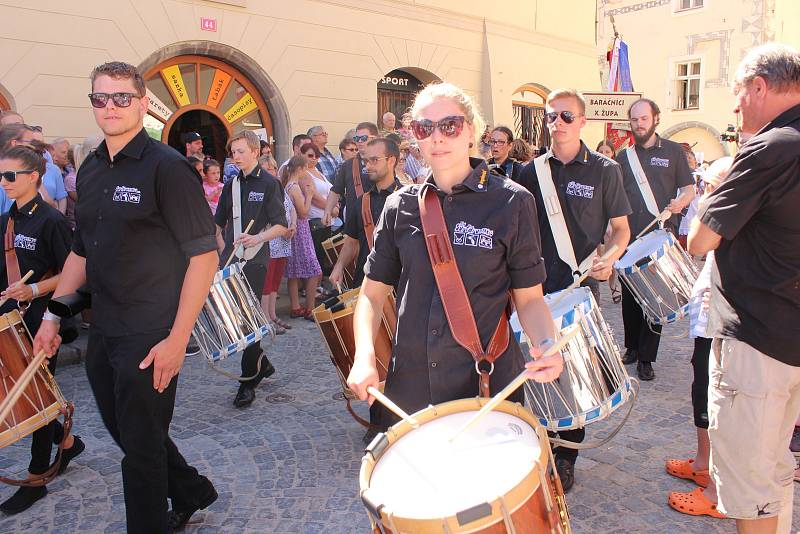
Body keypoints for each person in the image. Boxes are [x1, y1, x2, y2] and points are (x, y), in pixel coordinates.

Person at [33, 61, 218, 534]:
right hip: (106, 326)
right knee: (130, 430)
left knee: (139, 448)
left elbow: (203, 258)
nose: (110, 106)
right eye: (100, 98)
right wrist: (53, 316)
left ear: (141, 103)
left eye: (121, 98)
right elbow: (81, 250)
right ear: (92, 103)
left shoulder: (168, 168)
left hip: (152, 328)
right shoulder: (91, 169)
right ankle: (192, 488)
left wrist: (178, 339)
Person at [345, 82, 563, 432]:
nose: (437, 137)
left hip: (485, 383)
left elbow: (530, 299)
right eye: (424, 128)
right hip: (411, 387)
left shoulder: (512, 202)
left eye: (450, 125)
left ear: (472, 130)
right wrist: (364, 356)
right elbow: (371, 295)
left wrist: (547, 345)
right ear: (414, 138)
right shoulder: (399, 206)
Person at [688, 43, 800, 534]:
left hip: (756, 341)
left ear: (759, 86)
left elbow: (699, 240)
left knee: (751, 488)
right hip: (790, 339)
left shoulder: (770, 147)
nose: (736, 106)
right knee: (776, 474)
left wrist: (717, 186)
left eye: (738, 93)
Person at [516, 88, 631, 492]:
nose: (557, 123)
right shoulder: (529, 172)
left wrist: (611, 258)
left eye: (567, 116)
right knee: (534, 374)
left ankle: (566, 459)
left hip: (575, 289)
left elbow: (620, 229)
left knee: (572, 377)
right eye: (551, 116)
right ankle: (537, 449)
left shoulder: (604, 170)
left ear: (583, 122)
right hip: (528, 290)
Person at [0, 145, 83, 515]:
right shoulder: (7, 220)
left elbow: (72, 271)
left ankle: (36, 479)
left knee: (34, 390)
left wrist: (34, 290)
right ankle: (67, 444)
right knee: (30, 391)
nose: (4, 183)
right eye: (1, 176)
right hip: (13, 319)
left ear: (33, 176)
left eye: (10, 176)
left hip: (42, 319)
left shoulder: (50, 220)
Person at [666, 156, 733, 520]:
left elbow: (697, 242)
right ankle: (704, 464)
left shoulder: (731, 210)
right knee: (701, 389)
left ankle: (717, 492)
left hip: (724, 321)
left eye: (713, 185)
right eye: (704, 185)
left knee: (718, 399)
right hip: (708, 318)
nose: (705, 193)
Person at [615, 98, 695, 381]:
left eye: (643, 118)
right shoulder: (623, 157)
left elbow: (689, 188)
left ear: (656, 119)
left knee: (653, 297)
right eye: (634, 120)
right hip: (628, 236)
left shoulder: (674, 152)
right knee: (629, 297)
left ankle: (646, 358)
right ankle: (632, 347)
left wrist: (680, 202)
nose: (639, 124)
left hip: (658, 237)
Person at [215, 129, 288, 409]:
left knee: (248, 319)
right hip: (230, 260)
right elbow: (218, 223)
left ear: (255, 152)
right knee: (235, 319)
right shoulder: (230, 184)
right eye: (233, 152)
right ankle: (263, 364)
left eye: (241, 151)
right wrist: (222, 250)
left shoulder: (270, 183)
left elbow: (281, 225)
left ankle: (247, 383)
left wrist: (257, 238)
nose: (236, 157)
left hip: (256, 260)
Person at [329, 138, 401, 291]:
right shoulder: (362, 201)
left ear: (391, 160)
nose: (368, 166)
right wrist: (339, 266)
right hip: (365, 283)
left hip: (398, 286)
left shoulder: (408, 200)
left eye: (374, 160)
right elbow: (352, 241)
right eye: (366, 161)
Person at [283, 155, 323, 319]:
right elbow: (303, 212)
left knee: (293, 271)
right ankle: (310, 308)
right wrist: (310, 195)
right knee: (314, 270)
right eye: (305, 168)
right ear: (299, 169)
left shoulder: (286, 185)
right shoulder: (295, 187)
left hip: (293, 232)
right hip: (300, 230)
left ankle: (295, 306)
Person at [323, 122, 378, 225]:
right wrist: (327, 211)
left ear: (374, 139)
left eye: (364, 138)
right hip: (354, 222)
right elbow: (335, 190)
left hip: (378, 220)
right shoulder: (347, 165)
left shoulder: (383, 162)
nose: (359, 142)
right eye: (357, 139)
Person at [261, 171, 296, 335]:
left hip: (283, 242)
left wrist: (293, 225)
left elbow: (292, 209)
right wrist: (282, 231)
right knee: (267, 282)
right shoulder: (265, 192)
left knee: (276, 279)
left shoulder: (281, 191)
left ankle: (273, 314)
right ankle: (265, 317)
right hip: (271, 242)